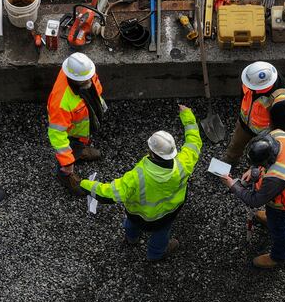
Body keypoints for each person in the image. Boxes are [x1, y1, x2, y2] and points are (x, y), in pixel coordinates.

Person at [79, 104, 202, 262]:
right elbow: (194, 142)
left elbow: (108, 194)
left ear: (151, 151)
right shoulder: (184, 164)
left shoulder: (137, 177)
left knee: (131, 225)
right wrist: (188, 116)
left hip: (138, 215)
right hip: (167, 215)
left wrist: (84, 184)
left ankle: (131, 239)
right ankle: (155, 255)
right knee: (161, 235)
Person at [220, 129, 285, 269]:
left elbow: (255, 201)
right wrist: (253, 169)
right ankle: (269, 218)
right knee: (273, 218)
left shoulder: (277, 177)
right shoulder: (279, 136)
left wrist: (232, 185)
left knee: (279, 227)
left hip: (284, 203)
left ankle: (280, 257)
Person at [47, 52, 107, 194]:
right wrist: (67, 162)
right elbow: (57, 135)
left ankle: (79, 153)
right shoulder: (61, 102)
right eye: (85, 80)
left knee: (79, 145)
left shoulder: (81, 71)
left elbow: (95, 87)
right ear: (74, 78)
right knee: (70, 151)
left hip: (82, 127)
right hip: (72, 133)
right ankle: (66, 176)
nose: (89, 81)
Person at [223, 61, 285, 165]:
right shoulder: (249, 81)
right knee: (235, 145)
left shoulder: (280, 101)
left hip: (265, 133)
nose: (248, 86)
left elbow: (283, 127)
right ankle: (229, 161)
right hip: (244, 124)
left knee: (262, 156)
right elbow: (243, 98)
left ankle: (257, 171)